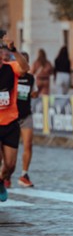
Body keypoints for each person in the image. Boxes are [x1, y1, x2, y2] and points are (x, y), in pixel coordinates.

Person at [0, 33, 30, 201]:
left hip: (11, 122)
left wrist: (14, 49)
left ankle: (1, 179)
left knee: (10, 166)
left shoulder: (11, 67)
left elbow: (25, 68)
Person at [15, 52, 37, 187]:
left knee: (28, 144)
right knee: (8, 148)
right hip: (10, 116)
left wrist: (34, 93)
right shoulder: (11, 76)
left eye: (26, 62)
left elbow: (34, 93)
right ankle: (4, 174)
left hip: (26, 115)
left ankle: (24, 174)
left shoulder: (30, 78)